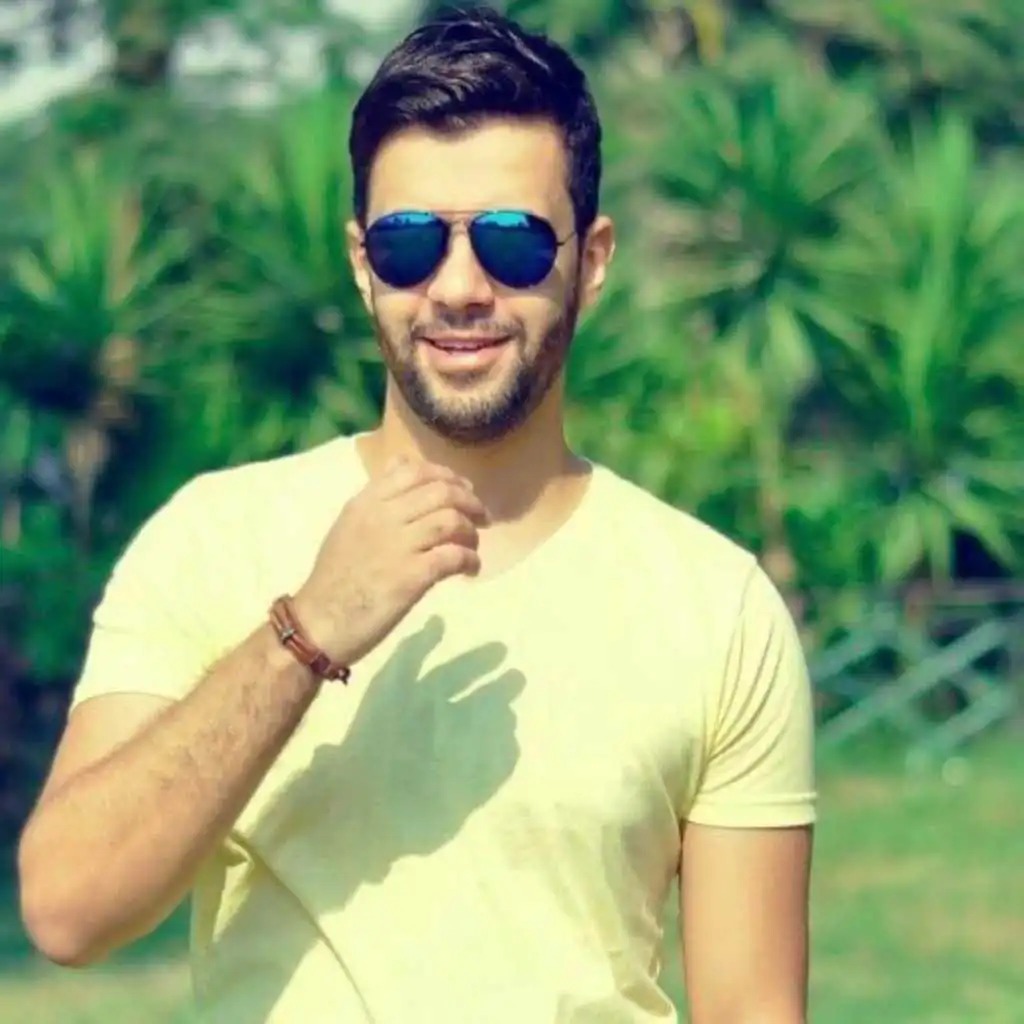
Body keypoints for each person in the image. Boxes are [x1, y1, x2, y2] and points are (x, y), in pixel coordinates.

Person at [17, 6, 816, 1022]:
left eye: (512, 243)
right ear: (363, 265)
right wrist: (305, 633)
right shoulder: (212, 538)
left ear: (592, 260)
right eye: (409, 244)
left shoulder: (714, 606)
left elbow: (752, 1008)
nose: (459, 287)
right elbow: (69, 909)